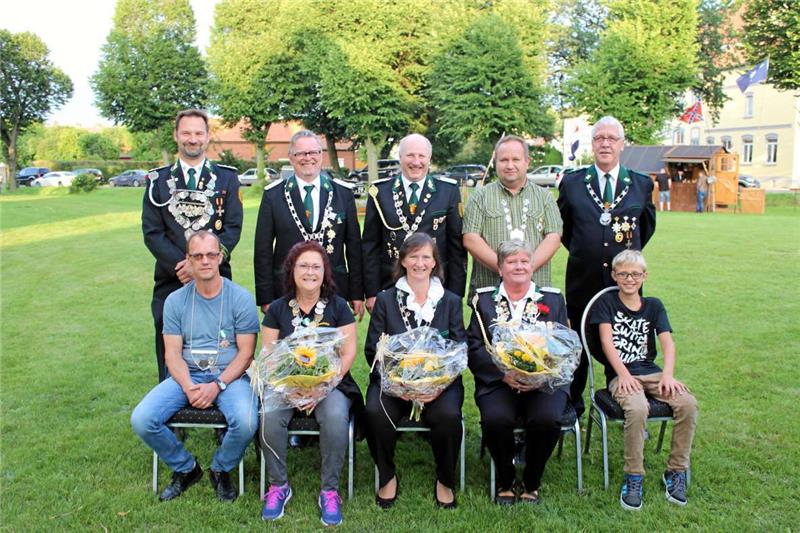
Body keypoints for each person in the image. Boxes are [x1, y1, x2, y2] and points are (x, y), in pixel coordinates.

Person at [131, 231, 259, 502]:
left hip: (230, 378)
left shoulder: (241, 298)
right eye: (197, 256)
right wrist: (189, 386)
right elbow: (172, 354)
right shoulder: (175, 301)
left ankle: (221, 468)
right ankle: (186, 468)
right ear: (188, 260)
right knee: (142, 419)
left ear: (220, 257)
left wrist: (218, 385)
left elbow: (246, 354)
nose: (205, 261)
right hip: (186, 376)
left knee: (247, 421)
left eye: (211, 255)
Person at [557, 115, 656, 417]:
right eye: (599, 138)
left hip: (625, 283)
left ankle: (627, 401)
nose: (605, 143)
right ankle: (572, 405)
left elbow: (646, 228)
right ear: (592, 143)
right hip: (582, 281)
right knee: (578, 346)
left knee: (626, 344)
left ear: (622, 145)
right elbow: (564, 229)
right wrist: (585, 250)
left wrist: (625, 263)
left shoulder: (640, 184)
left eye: (611, 138)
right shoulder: (573, 182)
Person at [259, 241, 362, 526]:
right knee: (268, 414)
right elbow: (269, 354)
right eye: (303, 265)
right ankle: (278, 486)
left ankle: (329, 490)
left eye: (316, 266)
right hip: (284, 384)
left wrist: (322, 388)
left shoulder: (338, 307)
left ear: (325, 272)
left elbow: (349, 351)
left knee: (334, 416)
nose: (309, 272)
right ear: (292, 270)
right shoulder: (277, 309)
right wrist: (290, 388)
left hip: (331, 384)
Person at [364, 233, 466, 509]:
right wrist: (400, 385)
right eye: (413, 256)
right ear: (403, 261)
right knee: (376, 410)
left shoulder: (451, 301)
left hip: (440, 385)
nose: (419, 263)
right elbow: (373, 350)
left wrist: (437, 385)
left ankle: (445, 478)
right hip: (395, 384)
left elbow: (459, 349)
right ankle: (387, 475)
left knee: (448, 415)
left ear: (435, 263)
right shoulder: (386, 299)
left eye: (426, 257)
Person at [589, 250, 697, 510]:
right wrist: (623, 375)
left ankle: (676, 471)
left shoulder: (654, 306)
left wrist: (668, 376)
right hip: (621, 375)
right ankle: (634, 475)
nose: (629, 279)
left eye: (635, 274)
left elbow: (668, 343)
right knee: (637, 408)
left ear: (644, 276)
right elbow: (606, 342)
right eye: (623, 274)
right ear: (614, 275)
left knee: (688, 404)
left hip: (653, 372)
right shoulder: (606, 304)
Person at [143, 109, 243, 382]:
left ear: (208, 137)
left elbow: (233, 227)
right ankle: (171, 406)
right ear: (176, 135)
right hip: (172, 278)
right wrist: (185, 265)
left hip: (217, 278)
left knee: (222, 341)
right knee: (170, 342)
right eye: (186, 133)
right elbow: (152, 232)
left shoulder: (226, 179)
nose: (192, 139)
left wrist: (202, 263)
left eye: (199, 133)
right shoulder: (158, 181)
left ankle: (223, 401)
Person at [467, 240, 570, 505]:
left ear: (533, 266)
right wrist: (503, 375)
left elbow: (564, 346)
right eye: (511, 261)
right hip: (500, 382)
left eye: (524, 261)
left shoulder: (553, 299)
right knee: (496, 419)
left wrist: (541, 374)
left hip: (544, 382)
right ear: (500, 268)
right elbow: (475, 346)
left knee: (547, 418)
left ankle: (532, 480)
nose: (519, 266)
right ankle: (505, 478)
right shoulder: (484, 301)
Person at [254, 130, 364, 318]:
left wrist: (356, 293)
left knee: (332, 345)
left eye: (313, 152)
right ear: (291, 157)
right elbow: (263, 250)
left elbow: (354, 248)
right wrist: (265, 297)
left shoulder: (342, 194)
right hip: (287, 289)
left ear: (321, 155)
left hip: (334, 288)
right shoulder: (273, 195)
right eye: (301, 153)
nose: (308, 158)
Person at [362, 133, 467, 312]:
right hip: (390, 285)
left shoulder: (447, 191)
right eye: (410, 155)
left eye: (421, 156)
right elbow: (370, 246)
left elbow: (456, 247)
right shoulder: (380, 192)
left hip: (436, 285)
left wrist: (455, 294)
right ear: (400, 157)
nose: (416, 161)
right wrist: (372, 293)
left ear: (429, 159)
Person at [463, 135, 562, 293]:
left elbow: (554, 238)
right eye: (503, 160)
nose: (510, 165)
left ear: (527, 161)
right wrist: (504, 268)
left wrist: (524, 269)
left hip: (536, 293)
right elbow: (471, 239)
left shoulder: (545, 197)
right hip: (489, 292)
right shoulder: (479, 197)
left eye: (515, 159)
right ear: (495, 162)